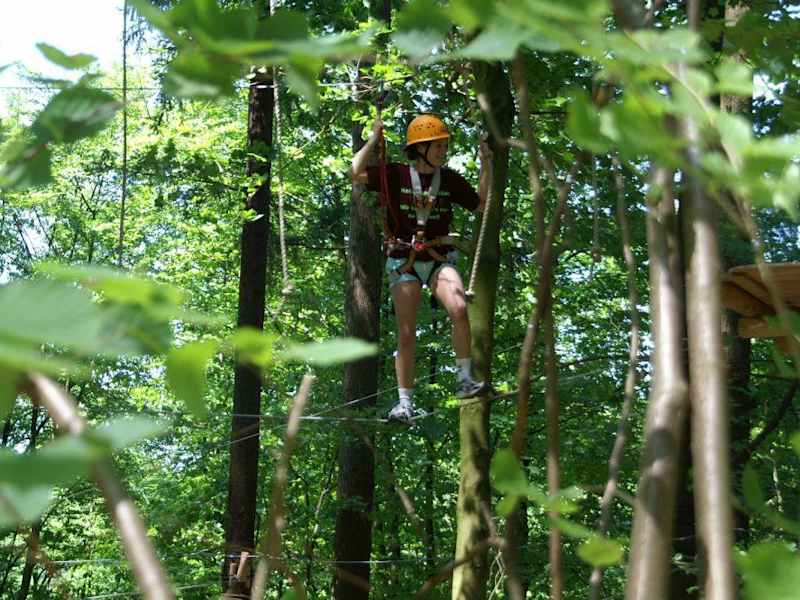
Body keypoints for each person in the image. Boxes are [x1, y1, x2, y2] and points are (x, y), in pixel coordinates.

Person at [350, 113, 493, 422]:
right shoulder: (395, 174)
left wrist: (486, 164)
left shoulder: (449, 180)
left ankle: (465, 380)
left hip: (439, 256)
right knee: (406, 333)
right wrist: (373, 138)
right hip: (404, 260)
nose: (443, 151)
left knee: (459, 309)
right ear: (420, 148)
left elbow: (481, 203)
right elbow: (355, 172)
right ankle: (404, 404)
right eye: (437, 145)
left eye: (444, 145)